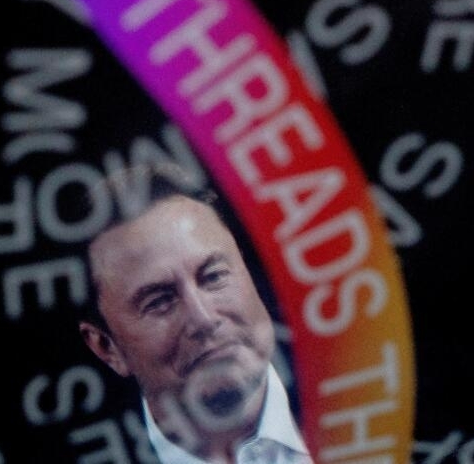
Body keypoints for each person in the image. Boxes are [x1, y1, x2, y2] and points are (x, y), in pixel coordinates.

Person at [77, 167, 312, 464]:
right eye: (159, 301)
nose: (204, 319)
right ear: (106, 347)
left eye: (214, 276)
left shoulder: (357, 385)